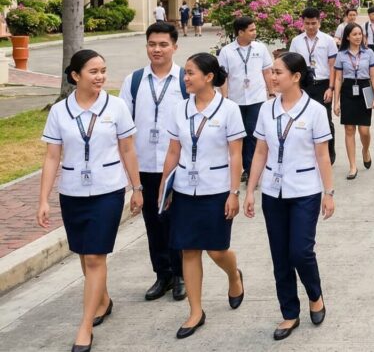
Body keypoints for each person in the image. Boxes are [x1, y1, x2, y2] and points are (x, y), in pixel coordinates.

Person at [38, 49, 144, 352]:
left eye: (103, 71)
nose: (100, 77)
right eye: (93, 72)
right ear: (75, 76)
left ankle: (84, 328)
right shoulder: (60, 111)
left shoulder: (117, 106)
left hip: (107, 191)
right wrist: (43, 199)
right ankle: (104, 299)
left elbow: (127, 150)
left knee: (96, 256)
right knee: (85, 255)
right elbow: (52, 157)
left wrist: (136, 188)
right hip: (72, 192)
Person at [244, 52, 336, 341]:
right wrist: (249, 190)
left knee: (300, 251)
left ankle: (315, 294)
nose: (272, 77)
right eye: (272, 72)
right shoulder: (267, 109)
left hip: (305, 191)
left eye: (278, 72)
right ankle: (289, 313)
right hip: (273, 191)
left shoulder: (315, 111)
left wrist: (328, 193)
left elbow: (323, 155)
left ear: (295, 77)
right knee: (280, 255)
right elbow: (260, 151)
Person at [158, 53, 246, 339]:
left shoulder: (229, 110)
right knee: (189, 249)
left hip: (217, 189)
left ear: (208, 77)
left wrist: (234, 192)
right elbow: (173, 151)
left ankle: (234, 275)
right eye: (185, 73)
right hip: (184, 188)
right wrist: (164, 188)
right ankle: (195, 311)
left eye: (190, 73)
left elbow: (236, 155)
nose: (185, 78)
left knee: (217, 249)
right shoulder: (178, 109)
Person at [120, 22, 187, 302]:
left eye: (163, 44)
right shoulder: (133, 80)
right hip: (145, 165)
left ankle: (182, 274)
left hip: (178, 167)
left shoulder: (186, 79)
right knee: (153, 222)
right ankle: (163, 274)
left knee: (176, 221)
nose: (157, 49)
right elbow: (123, 127)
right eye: (152, 44)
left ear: (174, 46)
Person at [218, 17, 273, 181]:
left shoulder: (260, 48)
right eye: (251, 30)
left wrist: (271, 93)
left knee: (253, 134)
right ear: (240, 32)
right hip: (235, 101)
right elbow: (224, 77)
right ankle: (243, 167)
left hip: (257, 99)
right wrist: (225, 97)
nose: (255, 32)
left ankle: (250, 170)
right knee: (237, 135)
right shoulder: (227, 51)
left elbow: (267, 72)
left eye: (255, 29)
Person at [287, 7, 338, 164]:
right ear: (303, 23)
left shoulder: (328, 41)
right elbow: (291, 66)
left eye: (314, 23)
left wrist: (331, 88)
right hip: (303, 86)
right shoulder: (296, 41)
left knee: (325, 120)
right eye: (307, 23)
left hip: (322, 85)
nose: (310, 27)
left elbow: (332, 67)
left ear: (319, 22)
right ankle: (307, 154)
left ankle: (329, 154)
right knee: (301, 120)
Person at [332, 22, 374, 180]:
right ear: (347, 36)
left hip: (365, 89)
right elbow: (338, 79)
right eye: (354, 34)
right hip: (347, 90)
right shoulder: (341, 55)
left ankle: (365, 150)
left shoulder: (369, 53)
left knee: (364, 130)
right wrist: (336, 101)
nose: (358, 37)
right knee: (349, 130)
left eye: (360, 34)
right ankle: (353, 166)